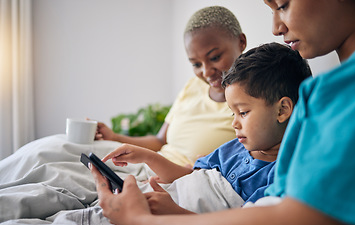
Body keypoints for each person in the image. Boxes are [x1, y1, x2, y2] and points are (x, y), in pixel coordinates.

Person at [90, 0, 355, 225]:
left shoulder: (337, 100)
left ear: (283, 110)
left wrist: (145, 221)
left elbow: (299, 220)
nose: (276, 27)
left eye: (283, 5)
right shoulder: (325, 93)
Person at [99, 42, 312, 215]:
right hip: (166, 197)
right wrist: (147, 157)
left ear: (282, 110)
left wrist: (176, 214)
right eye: (232, 113)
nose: (234, 123)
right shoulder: (232, 149)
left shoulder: (281, 175)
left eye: (243, 113)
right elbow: (187, 176)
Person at [94, 6, 247, 167]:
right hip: (150, 167)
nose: (206, 72)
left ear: (241, 42)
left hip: (178, 180)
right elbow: (160, 140)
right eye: (196, 64)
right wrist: (114, 137)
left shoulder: (252, 100)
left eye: (215, 57)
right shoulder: (193, 86)